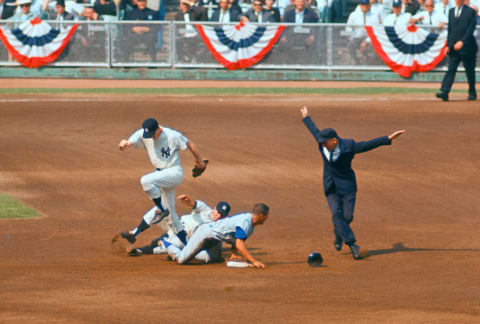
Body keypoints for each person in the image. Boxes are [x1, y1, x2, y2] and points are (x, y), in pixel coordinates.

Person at [300, 106, 405, 260]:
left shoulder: (348, 146)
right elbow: (314, 131)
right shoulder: (322, 144)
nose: (322, 145)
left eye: (325, 142)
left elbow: (367, 145)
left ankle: (338, 233)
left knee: (347, 217)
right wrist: (306, 117)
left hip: (347, 186)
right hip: (331, 187)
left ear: (334, 140)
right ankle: (352, 245)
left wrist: (388, 139)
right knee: (337, 214)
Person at [117, 117, 207, 247]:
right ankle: (188, 246)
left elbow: (189, 144)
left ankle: (161, 209)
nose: (150, 137)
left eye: (152, 134)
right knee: (171, 216)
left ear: (158, 128)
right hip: (162, 175)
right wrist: (127, 142)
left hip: (174, 172)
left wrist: (200, 162)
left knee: (146, 181)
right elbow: (135, 138)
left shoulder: (172, 135)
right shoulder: (145, 134)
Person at [128, 195, 231, 262]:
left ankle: (139, 250)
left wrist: (234, 251)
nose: (218, 216)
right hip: (176, 224)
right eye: (218, 212)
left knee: (165, 246)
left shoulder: (219, 227)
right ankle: (134, 233)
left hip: (183, 237)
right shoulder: (205, 210)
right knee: (161, 208)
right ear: (214, 208)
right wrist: (187, 201)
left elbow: (231, 236)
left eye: (221, 215)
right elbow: (193, 204)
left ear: (225, 216)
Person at [163, 202, 270, 268]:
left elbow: (236, 238)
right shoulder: (245, 222)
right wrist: (254, 261)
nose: (267, 219)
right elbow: (239, 243)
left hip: (214, 239)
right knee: (181, 260)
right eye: (266, 216)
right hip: (205, 234)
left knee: (214, 258)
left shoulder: (250, 225)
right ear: (261, 215)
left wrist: (233, 252)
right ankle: (167, 244)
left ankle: (188, 249)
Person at [436, 0, 478, 101]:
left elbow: (470, 29)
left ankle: (472, 92)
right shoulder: (451, 11)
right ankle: (445, 91)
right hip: (454, 48)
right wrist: (448, 45)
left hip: (468, 47)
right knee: (451, 69)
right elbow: (450, 30)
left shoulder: (470, 11)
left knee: (469, 71)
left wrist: (462, 41)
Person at [346, 0, 381, 64]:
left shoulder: (374, 17)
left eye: (366, 5)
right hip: (356, 38)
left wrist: (366, 41)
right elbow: (348, 28)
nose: (364, 6)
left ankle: (371, 63)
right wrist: (355, 36)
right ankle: (356, 61)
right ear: (360, 5)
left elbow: (376, 31)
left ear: (369, 5)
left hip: (369, 39)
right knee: (351, 45)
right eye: (363, 4)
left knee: (375, 46)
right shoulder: (353, 15)